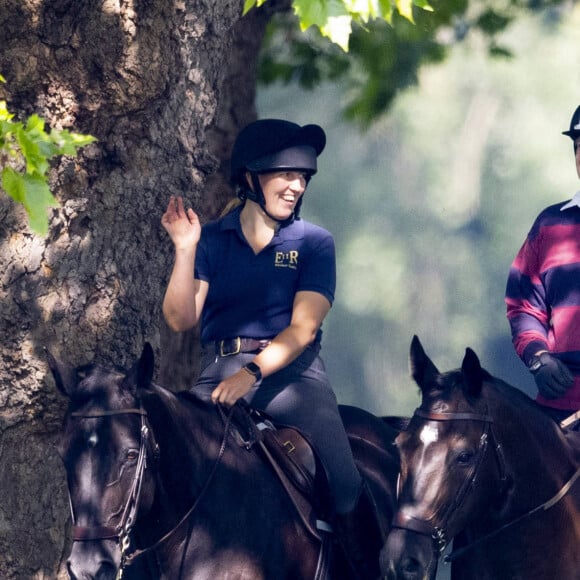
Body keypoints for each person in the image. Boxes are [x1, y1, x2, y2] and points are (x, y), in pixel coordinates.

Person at [161, 118, 378, 578]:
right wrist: (185, 249)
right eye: (286, 175)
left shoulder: (314, 244)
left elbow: (302, 329)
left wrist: (252, 375)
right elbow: (180, 318)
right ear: (251, 178)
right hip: (219, 371)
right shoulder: (213, 240)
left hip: (293, 379)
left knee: (343, 483)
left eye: (303, 177)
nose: (297, 185)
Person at [505, 104, 580, 424]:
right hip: (559, 407)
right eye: (578, 147)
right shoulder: (549, 224)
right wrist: (538, 357)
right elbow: (523, 307)